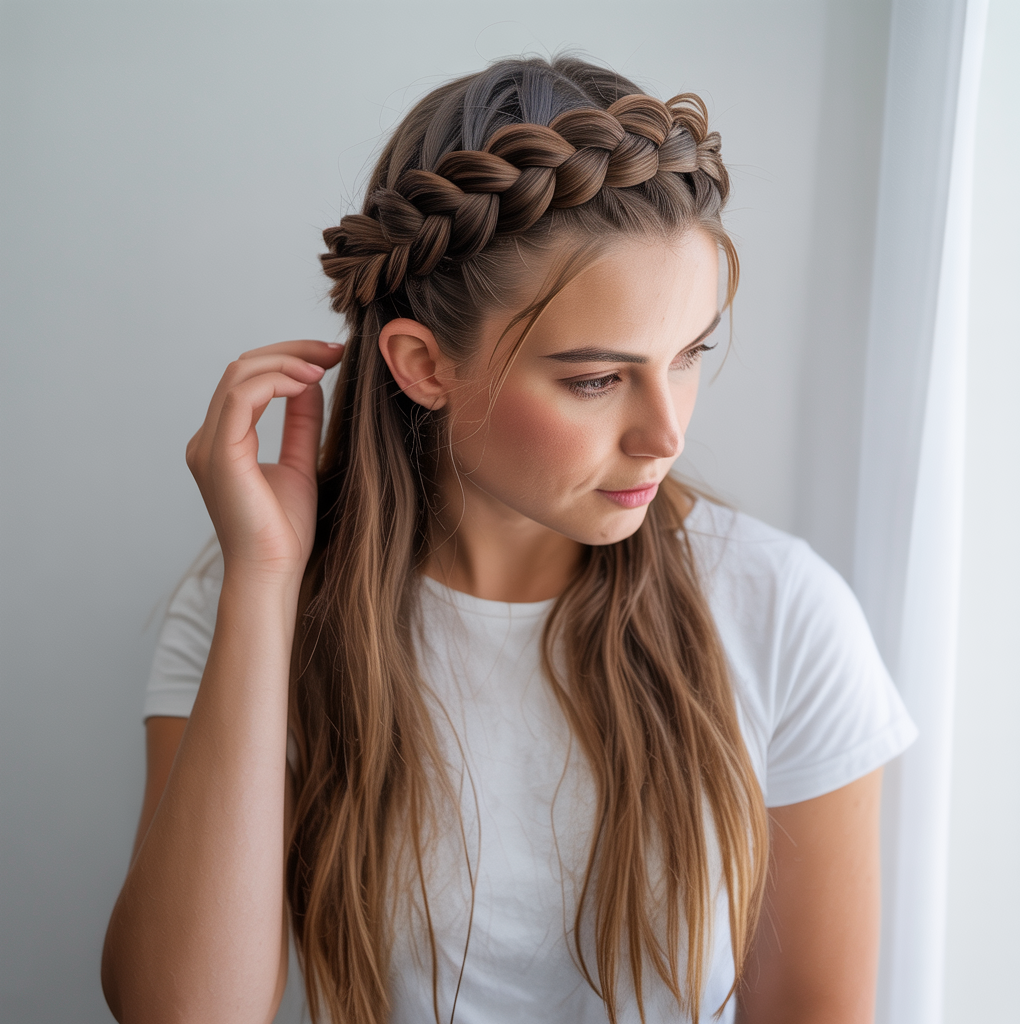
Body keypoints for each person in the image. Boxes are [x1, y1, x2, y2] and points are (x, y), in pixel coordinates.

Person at [100, 56, 916, 1024]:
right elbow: (183, 1012)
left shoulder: (780, 607)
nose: (669, 433)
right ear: (423, 363)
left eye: (688, 355)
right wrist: (266, 579)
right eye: (595, 379)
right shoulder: (249, 604)